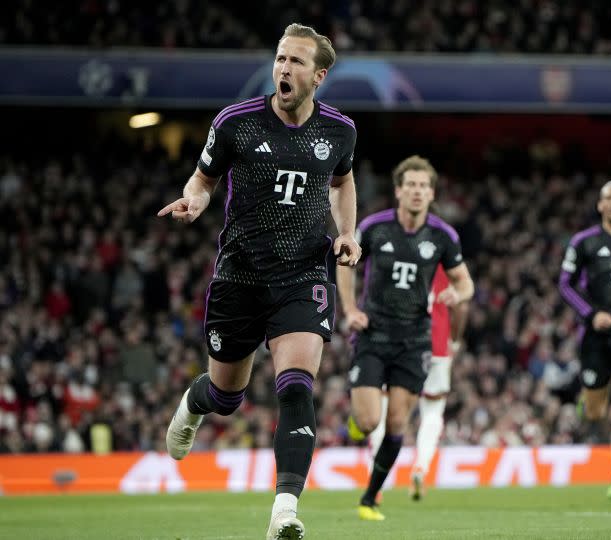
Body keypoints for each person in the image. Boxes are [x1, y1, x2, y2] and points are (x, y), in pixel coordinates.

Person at [160, 23, 360, 540]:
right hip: (240, 276)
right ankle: (195, 403)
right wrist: (194, 202)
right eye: (279, 59)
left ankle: (284, 510)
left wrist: (348, 232)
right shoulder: (236, 123)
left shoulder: (339, 131)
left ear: (318, 75)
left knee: (297, 385)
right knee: (229, 395)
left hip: (303, 274)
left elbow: (342, 180)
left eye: (295, 62)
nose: (283, 69)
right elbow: (203, 181)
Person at [338, 155, 474, 521]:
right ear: (399, 191)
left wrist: (456, 295)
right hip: (373, 334)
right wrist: (350, 310)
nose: (417, 191)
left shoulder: (443, 236)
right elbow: (345, 264)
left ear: (431, 194)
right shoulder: (374, 228)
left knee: (397, 424)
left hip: (415, 340)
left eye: (423, 186)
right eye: (410, 185)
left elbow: (466, 282)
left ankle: (370, 497)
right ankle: (357, 421)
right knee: (368, 422)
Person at [558, 180, 611, 502]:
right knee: (594, 412)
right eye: (607, 198)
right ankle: (589, 401)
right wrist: (591, 313)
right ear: (599, 206)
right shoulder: (584, 242)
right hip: (594, 334)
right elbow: (565, 284)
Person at [365, 268, 469, 501]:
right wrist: (455, 339)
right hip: (438, 345)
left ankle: (375, 476)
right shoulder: (448, 259)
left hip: (400, 341)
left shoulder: (400, 254)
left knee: (384, 406)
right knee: (433, 410)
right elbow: (462, 305)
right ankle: (421, 467)